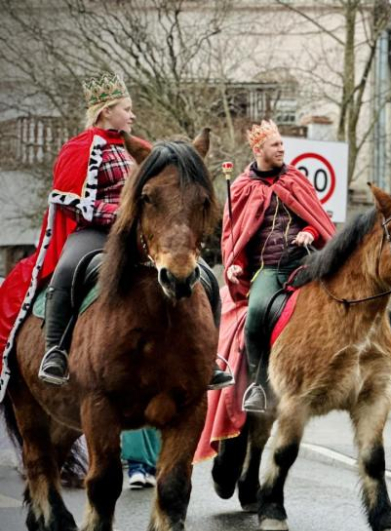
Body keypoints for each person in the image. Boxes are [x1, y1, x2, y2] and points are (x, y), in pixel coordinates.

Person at [0, 72, 230, 395]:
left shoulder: (141, 150)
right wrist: (124, 216)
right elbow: (78, 205)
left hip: (142, 234)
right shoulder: (81, 149)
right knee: (68, 268)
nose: (132, 115)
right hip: (95, 232)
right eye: (127, 108)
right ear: (106, 111)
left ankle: (210, 357)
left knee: (203, 275)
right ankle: (55, 350)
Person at [221, 120, 336, 412]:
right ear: (259, 150)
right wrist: (234, 264)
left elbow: (316, 217)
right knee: (258, 311)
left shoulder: (296, 179)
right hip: (269, 269)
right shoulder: (241, 188)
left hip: (305, 262)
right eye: (276, 145)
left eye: (283, 144)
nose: (282, 149)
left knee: (345, 289)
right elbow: (234, 234)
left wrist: (310, 232)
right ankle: (258, 385)